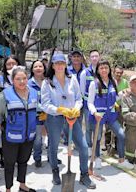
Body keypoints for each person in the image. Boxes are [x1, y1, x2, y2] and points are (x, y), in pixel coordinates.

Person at [41, 53, 95, 189]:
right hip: (55, 118)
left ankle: (84, 175)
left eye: (62, 63)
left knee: (82, 146)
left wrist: (76, 109)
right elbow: (45, 104)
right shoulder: (47, 82)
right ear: (52, 66)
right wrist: (60, 109)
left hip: (72, 117)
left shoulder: (72, 79)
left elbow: (78, 98)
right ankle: (55, 171)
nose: (59, 66)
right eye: (56, 63)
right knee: (53, 147)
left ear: (65, 65)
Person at [0, 67, 37, 192]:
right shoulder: (5, 95)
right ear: (12, 80)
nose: (22, 81)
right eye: (18, 79)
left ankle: (22, 185)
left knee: (24, 161)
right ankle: (8, 189)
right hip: (11, 137)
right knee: (9, 164)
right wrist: (3, 127)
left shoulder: (34, 93)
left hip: (29, 136)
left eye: (24, 78)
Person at [87, 59, 134, 170]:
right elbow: (89, 102)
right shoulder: (94, 84)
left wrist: (122, 94)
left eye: (106, 68)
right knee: (97, 138)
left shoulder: (113, 82)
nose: (104, 70)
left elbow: (115, 98)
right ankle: (97, 158)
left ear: (109, 70)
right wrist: (94, 112)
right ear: (98, 70)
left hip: (111, 115)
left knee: (121, 135)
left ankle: (121, 161)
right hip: (98, 116)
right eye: (101, 68)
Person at [80, 49, 100, 154]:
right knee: (88, 127)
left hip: (100, 105)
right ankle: (88, 146)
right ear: (89, 58)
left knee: (98, 128)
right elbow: (82, 90)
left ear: (99, 57)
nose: (94, 58)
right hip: (88, 105)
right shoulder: (85, 72)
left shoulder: (102, 71)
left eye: (96, 56)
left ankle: (97, 149)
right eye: (92, 56)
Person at [28, 60, 47, 168]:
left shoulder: (48, 82)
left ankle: (52, 157)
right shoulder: (29, 83)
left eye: (40, 66)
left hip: (50, 114)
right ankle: (37, 158)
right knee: (38, 138)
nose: (38, 68)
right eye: (36, 66)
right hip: (36, 115)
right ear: (32, 69)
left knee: (53, 137)